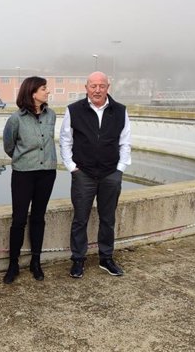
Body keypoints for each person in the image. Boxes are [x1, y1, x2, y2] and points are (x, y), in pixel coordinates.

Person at [59, 71, 131, 279]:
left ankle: (106, 258)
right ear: (86, 88)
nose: (97, 90)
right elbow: (66, 140)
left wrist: (120, 169)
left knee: (108, 219)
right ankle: (78, 260)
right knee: (80, 219)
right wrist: (72, 167)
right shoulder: (73, 110)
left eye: (101, 86)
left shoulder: (120, 111)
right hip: (84, 174)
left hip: (111, 173)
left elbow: (125, 141)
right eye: (93, 86)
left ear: (108, 87)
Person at [2, 76, 57, 284]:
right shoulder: (16, 119)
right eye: (44, 89)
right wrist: (23, 158)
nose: (48, 92)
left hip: (47, 173)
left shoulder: (51, 115)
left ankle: (36, 262)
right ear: (33, 92)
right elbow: (9, 145)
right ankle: (13, 264)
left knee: (38, 217)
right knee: (18, 219)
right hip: (23, 173)